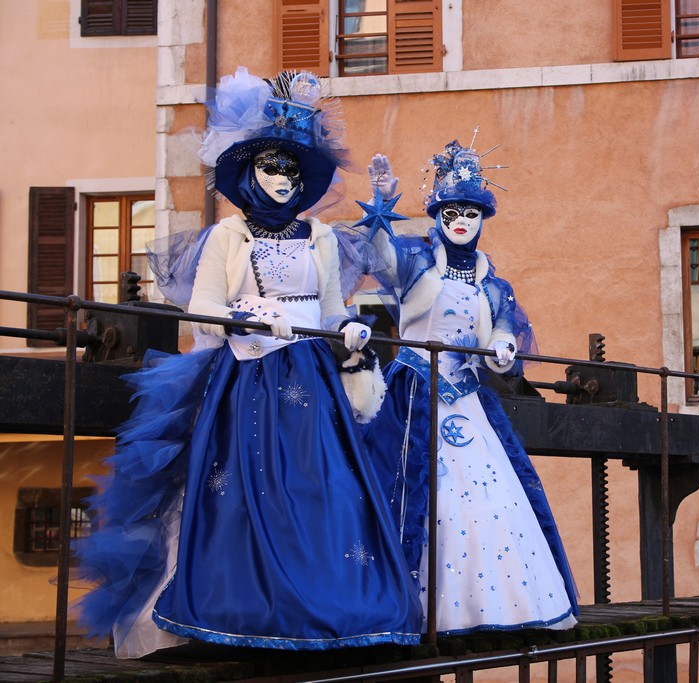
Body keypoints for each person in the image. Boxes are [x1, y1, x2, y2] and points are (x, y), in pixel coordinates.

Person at [74, 67, 421, 657]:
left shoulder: (320, 238)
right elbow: (204, 308)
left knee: (326, 488)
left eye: (291, 170)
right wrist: (255, 315)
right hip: (249, 380)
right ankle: (249, 611)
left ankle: (333, 607)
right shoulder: (225, 237)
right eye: (271, 168)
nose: (282, 180)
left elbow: (334, 310)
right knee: (249, 488)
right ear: (248, 174)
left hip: (315, 381)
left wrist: (353, 328)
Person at [357, 141, 579, 635]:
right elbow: (380, 259)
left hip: (470, 400)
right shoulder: (417, 262)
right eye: (452, 211)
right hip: (415, 394)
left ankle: (491, 606)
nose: (461, 220)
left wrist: (502, 347)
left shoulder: (493, 284)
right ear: (437, 216)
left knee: (488, 500)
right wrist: (381, 200)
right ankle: (410, 609)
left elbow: (502, 329)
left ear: (483, 218)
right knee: (416, 494)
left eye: (471, 212)